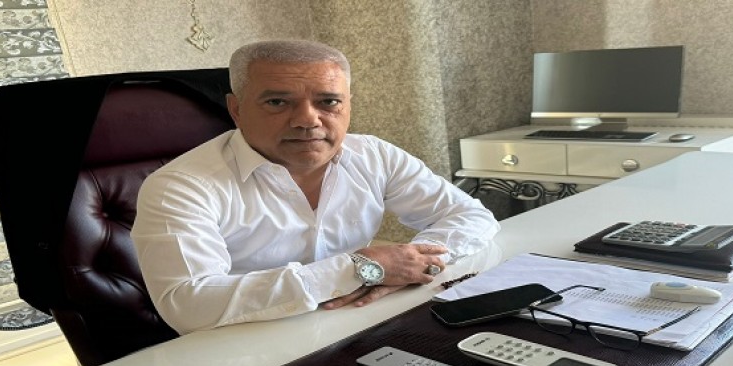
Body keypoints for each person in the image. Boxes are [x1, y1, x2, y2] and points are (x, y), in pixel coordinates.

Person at [131, 39, 500, 335]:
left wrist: (416, 265)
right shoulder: (180, 186)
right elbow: (187, 305)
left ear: (348, 105)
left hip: (357, 326)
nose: (308, 120)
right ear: (236, 110)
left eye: (328, 102)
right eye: (278, 102)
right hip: (242, 347)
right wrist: (359, 269)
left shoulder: (374, 155)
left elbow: (470, 216)